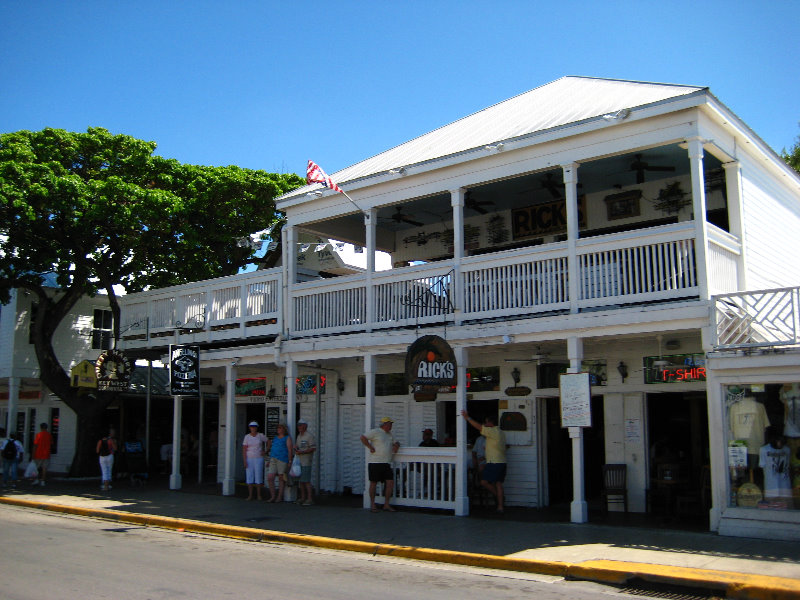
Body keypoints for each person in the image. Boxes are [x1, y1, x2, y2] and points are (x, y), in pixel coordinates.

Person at [462, 410, 506, 513]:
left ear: (491, 423)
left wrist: (467, 418)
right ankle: (500, 506)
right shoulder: (500, 432)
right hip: (501, 461)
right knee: (498, 483)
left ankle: (499, 498)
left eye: (486, 422)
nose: (485, 424)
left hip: (494, 462)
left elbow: (479, 427)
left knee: (483, 482)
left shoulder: (493, 431)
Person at [360, 416, 400, 513]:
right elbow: (363, 437)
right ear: (384, 424)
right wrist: (370, 447)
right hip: (375, 462)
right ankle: (373, 504)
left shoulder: (390, 434)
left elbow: (396, 442)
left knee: (390, 482)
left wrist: (396, 445)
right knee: (373, 483)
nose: (391, 426)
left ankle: (386, 504)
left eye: (391, 424)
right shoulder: (376, 431)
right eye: (389, 424)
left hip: (386, 463)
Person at [266, 423, 293, 503]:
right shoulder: (275, 438)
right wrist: (269, 460)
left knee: (281, 477)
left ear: (284, 429)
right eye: (278, 428)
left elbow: (290, 449)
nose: (278, 429)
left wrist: (290, 460)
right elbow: (272, 448)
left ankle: (279, 496)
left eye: (280, 428)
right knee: (270, 477)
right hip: (273, 458)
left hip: (282, 459)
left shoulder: (287, 438)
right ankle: (273, 496)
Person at [242, 421, 268, 501]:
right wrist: (245, 461)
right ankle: (250, 495)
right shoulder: (247, 437)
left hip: (258, 458)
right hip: (249, 458)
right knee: (249, 476)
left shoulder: (260, 436)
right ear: (249, 428)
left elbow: (268, 441)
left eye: (254, 427)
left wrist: (266, 451)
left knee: (258, 476)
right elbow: (244, 449)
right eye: (251, 427)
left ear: (257, 427)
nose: (253, 428)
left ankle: (259, 495)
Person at [294, 419, 316, 506]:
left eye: (301, 425)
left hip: (306, 461)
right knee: (301, 481)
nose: (299, 427)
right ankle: (303, 498)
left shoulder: (309, 436)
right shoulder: (299, 436)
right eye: (298, 425)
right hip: (299, 461)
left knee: (306, 480)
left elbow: (313, 448)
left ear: (305, 426)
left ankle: (309, 498)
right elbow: (298, 447)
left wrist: (302, 452)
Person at [31, 422, 53, 486]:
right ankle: (43, 480)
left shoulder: (38, 435)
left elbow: (35, 445)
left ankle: (37, 479)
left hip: (38, 454)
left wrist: (33, 454)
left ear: (41, 427)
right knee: (44, 468)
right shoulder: (49, 435)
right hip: (46, 454)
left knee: (37, 468)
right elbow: (51, 444)